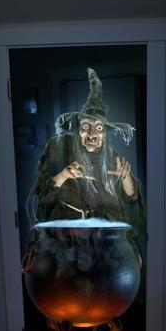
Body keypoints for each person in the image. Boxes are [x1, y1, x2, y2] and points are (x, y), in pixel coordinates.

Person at [27, 67, 146, 248]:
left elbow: (133, 200)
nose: (91, 134)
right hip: (67, 245)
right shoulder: (59, 151)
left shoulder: (112, 159)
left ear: (105, 134)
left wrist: (125, 178)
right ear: (78, 131)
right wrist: (64, 175)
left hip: (105, 246)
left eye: (98, 128)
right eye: (85, 127)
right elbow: (39, 198)